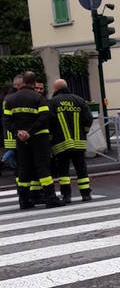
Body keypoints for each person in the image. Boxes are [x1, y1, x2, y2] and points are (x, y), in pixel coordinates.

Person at [3, 71, 64, 209]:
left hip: (20, 139)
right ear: (34, 83)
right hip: (39, 138)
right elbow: (44, 118)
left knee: (24, 169)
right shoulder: (39, 98)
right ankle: (50, 198)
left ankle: (24, 201)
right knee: (42, 168)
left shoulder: (10, 99)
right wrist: (29, 132)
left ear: (23, 82)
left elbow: (6, 120)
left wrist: (18, 132)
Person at [48, 79, 93, 203]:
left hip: (61, 144)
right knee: (81, 168)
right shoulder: (79, 100)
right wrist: (84, 131)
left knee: (63, 171)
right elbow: (88, 118)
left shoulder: (52, 103)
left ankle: (66, 196)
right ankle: (86, 194)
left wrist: (51, 138)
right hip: (79, 142)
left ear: (56, 89)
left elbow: (49, 122)